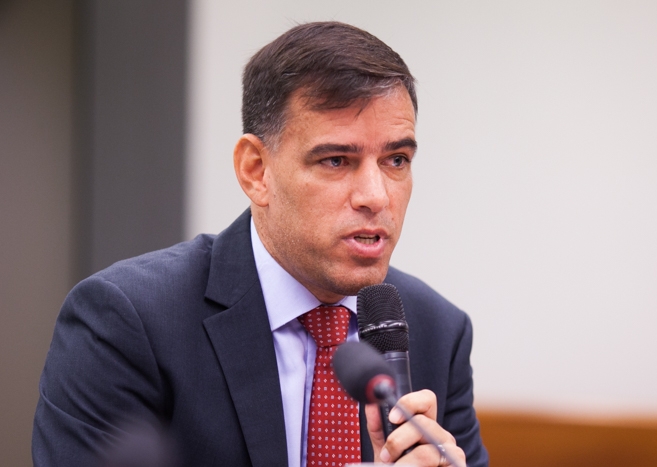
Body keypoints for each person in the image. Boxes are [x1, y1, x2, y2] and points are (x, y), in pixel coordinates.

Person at [33, 21, 489, 467]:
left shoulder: (438, 331)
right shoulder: (128, 320)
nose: (376, 196)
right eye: (336, 160)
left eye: (396, 159)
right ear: (256, 171)